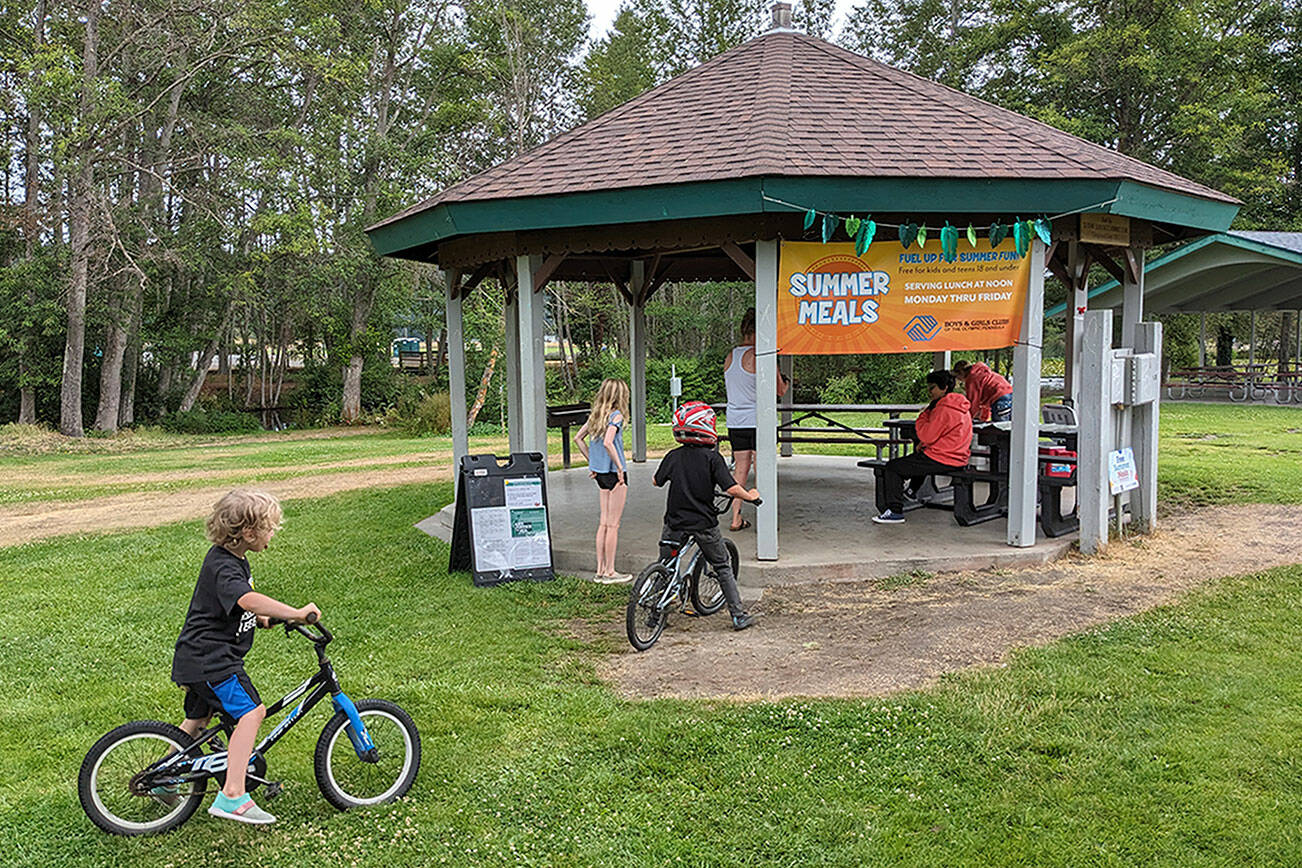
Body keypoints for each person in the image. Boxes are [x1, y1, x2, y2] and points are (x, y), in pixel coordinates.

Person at [170, 490, 320, 825]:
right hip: (213, 660)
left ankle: (167, 781)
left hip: (197, 657)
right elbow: (246, 599)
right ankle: (233, 795)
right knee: (252, 712)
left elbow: (234, 606)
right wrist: (296, 612)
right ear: (249, 533)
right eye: (270, 528)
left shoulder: (231, 559)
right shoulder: (223, 565)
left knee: (197, 721)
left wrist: (265, 620)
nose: (273, 534)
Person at [653, 401, 761, 630]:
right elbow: (731, 488)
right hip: (703, 523)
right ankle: (738, 615)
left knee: (666, 564)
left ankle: (654, 614)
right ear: (706, 427)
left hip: (674, 522)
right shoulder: (712, 458)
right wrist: (751, 496)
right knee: (722, 565)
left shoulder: (673, 456)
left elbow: (656, 481)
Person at [872, 371, 973, 525]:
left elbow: (926, 435)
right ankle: (911, 492)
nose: (929, 392)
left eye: (932, 388)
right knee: (918, 456)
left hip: (943, 458)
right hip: (958, 457)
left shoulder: (943, 409)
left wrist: (923, 416)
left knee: (892, 467)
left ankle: (895, 511)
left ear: (944, 388)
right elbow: (943, 434)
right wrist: (925, 444)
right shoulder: (960, 407)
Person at [723, 307, 789, 532]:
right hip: (759, 421)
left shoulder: (730, 356)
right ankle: (765, 519)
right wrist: (786, 381)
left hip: (735, 421)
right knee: (763, 470)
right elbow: (780, 390)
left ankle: (735, 517)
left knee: (740, 471)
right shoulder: (761, 355)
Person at [574, 378, 632, 583]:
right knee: (613, 525)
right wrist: (619, 467)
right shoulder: (616, 416)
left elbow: (578, 439)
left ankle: (600, 570)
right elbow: (608, 442)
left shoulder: (595, 416)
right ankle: (610, 572)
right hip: (614, 474)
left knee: (604, 522)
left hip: (600, 475)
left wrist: (593, 463)